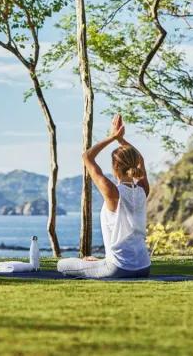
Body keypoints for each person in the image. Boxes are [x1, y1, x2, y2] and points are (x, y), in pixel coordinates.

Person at [57, 114, 151, 278]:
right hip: (144, 266)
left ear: (115, 168)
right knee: (91, 261)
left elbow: (87, 156)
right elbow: (140, 158)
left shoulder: (113, 192)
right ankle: (94, 262)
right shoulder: (143, 189)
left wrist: (113, 137)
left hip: (118, 268)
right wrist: (121, 140)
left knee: (62, 265)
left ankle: (94, 263)